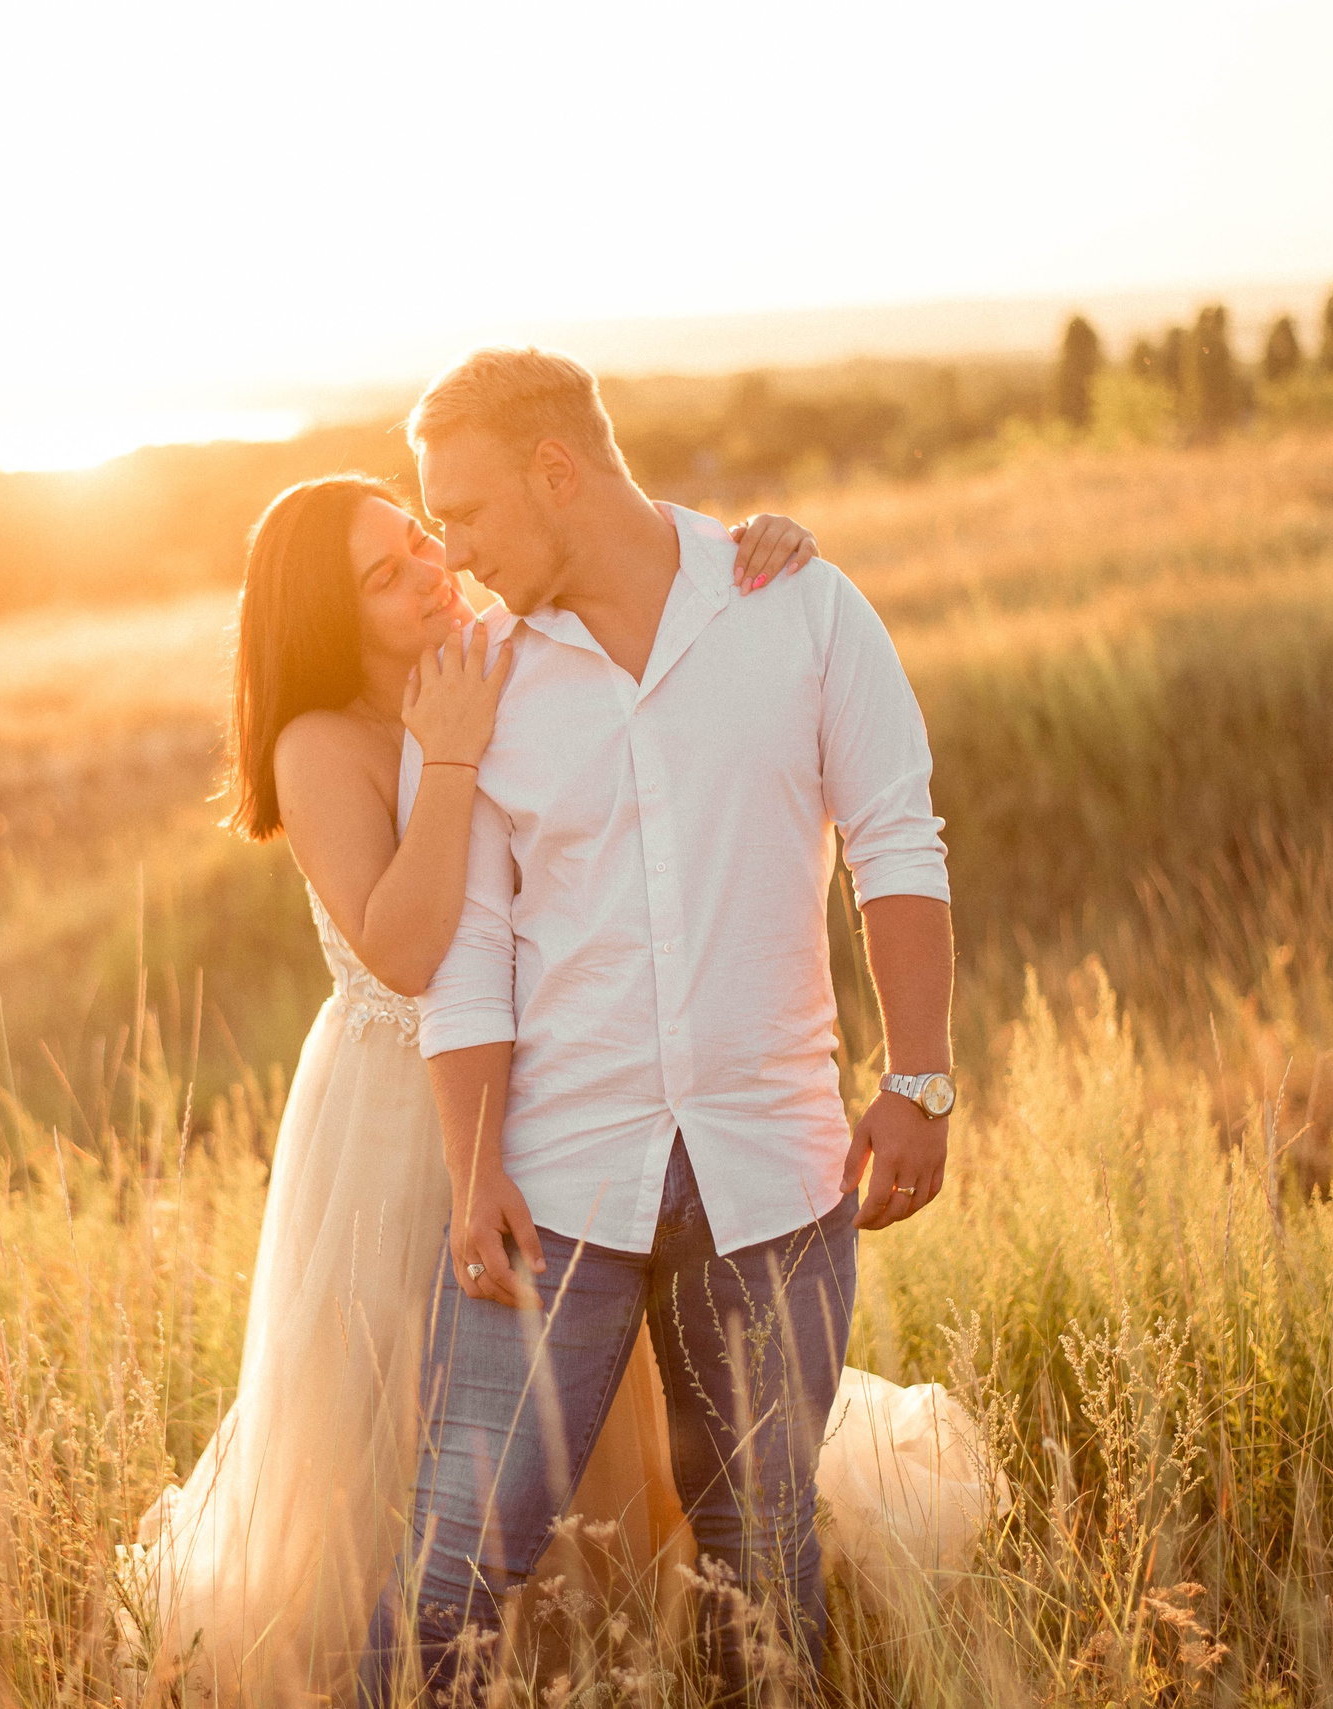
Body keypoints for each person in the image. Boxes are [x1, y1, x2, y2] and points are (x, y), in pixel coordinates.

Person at [129, 474, 824, 1701]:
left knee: (600, 1406)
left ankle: (604, 1650)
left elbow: (604, 546)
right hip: (397, 1119)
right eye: (383, 576)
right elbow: (404, 948)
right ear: (322, 620)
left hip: (549, 1084)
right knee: (413, 1414)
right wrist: (446, 752)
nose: (427, 572)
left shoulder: (502, 648)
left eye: (418, 542)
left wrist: (739, 547)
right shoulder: (323, 742)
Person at [363, 347, 969, 1705]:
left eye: (463, 513)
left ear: (557, 471)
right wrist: (474, 1169)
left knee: (761, 1561)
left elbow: (896, 837)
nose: (448, 552)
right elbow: (466, 961)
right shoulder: (475, 680)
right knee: (455, 1566)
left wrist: (918, 1078)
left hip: (774, 1169)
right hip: (559, 1188)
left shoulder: (798, 607)